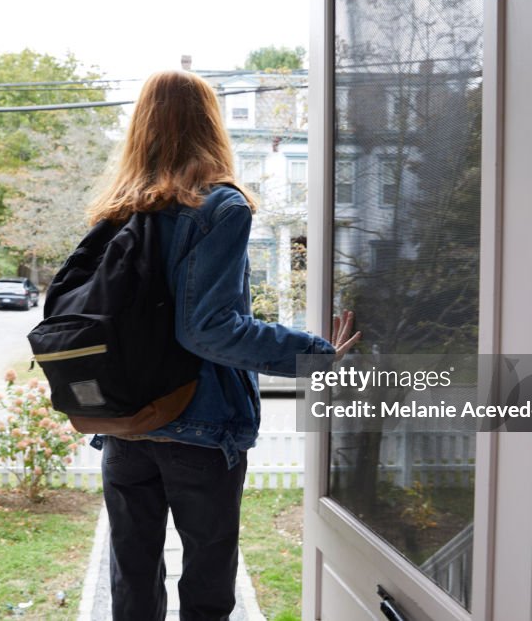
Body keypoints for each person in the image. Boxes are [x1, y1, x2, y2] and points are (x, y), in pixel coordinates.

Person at [85, 70, 360, 620]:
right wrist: (312, 353)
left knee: (131, 581)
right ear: (210, 125)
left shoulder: (117, 211)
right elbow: (208, 328)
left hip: (127, 422)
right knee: (207, 585)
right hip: (200, 427)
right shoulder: (219, 207)